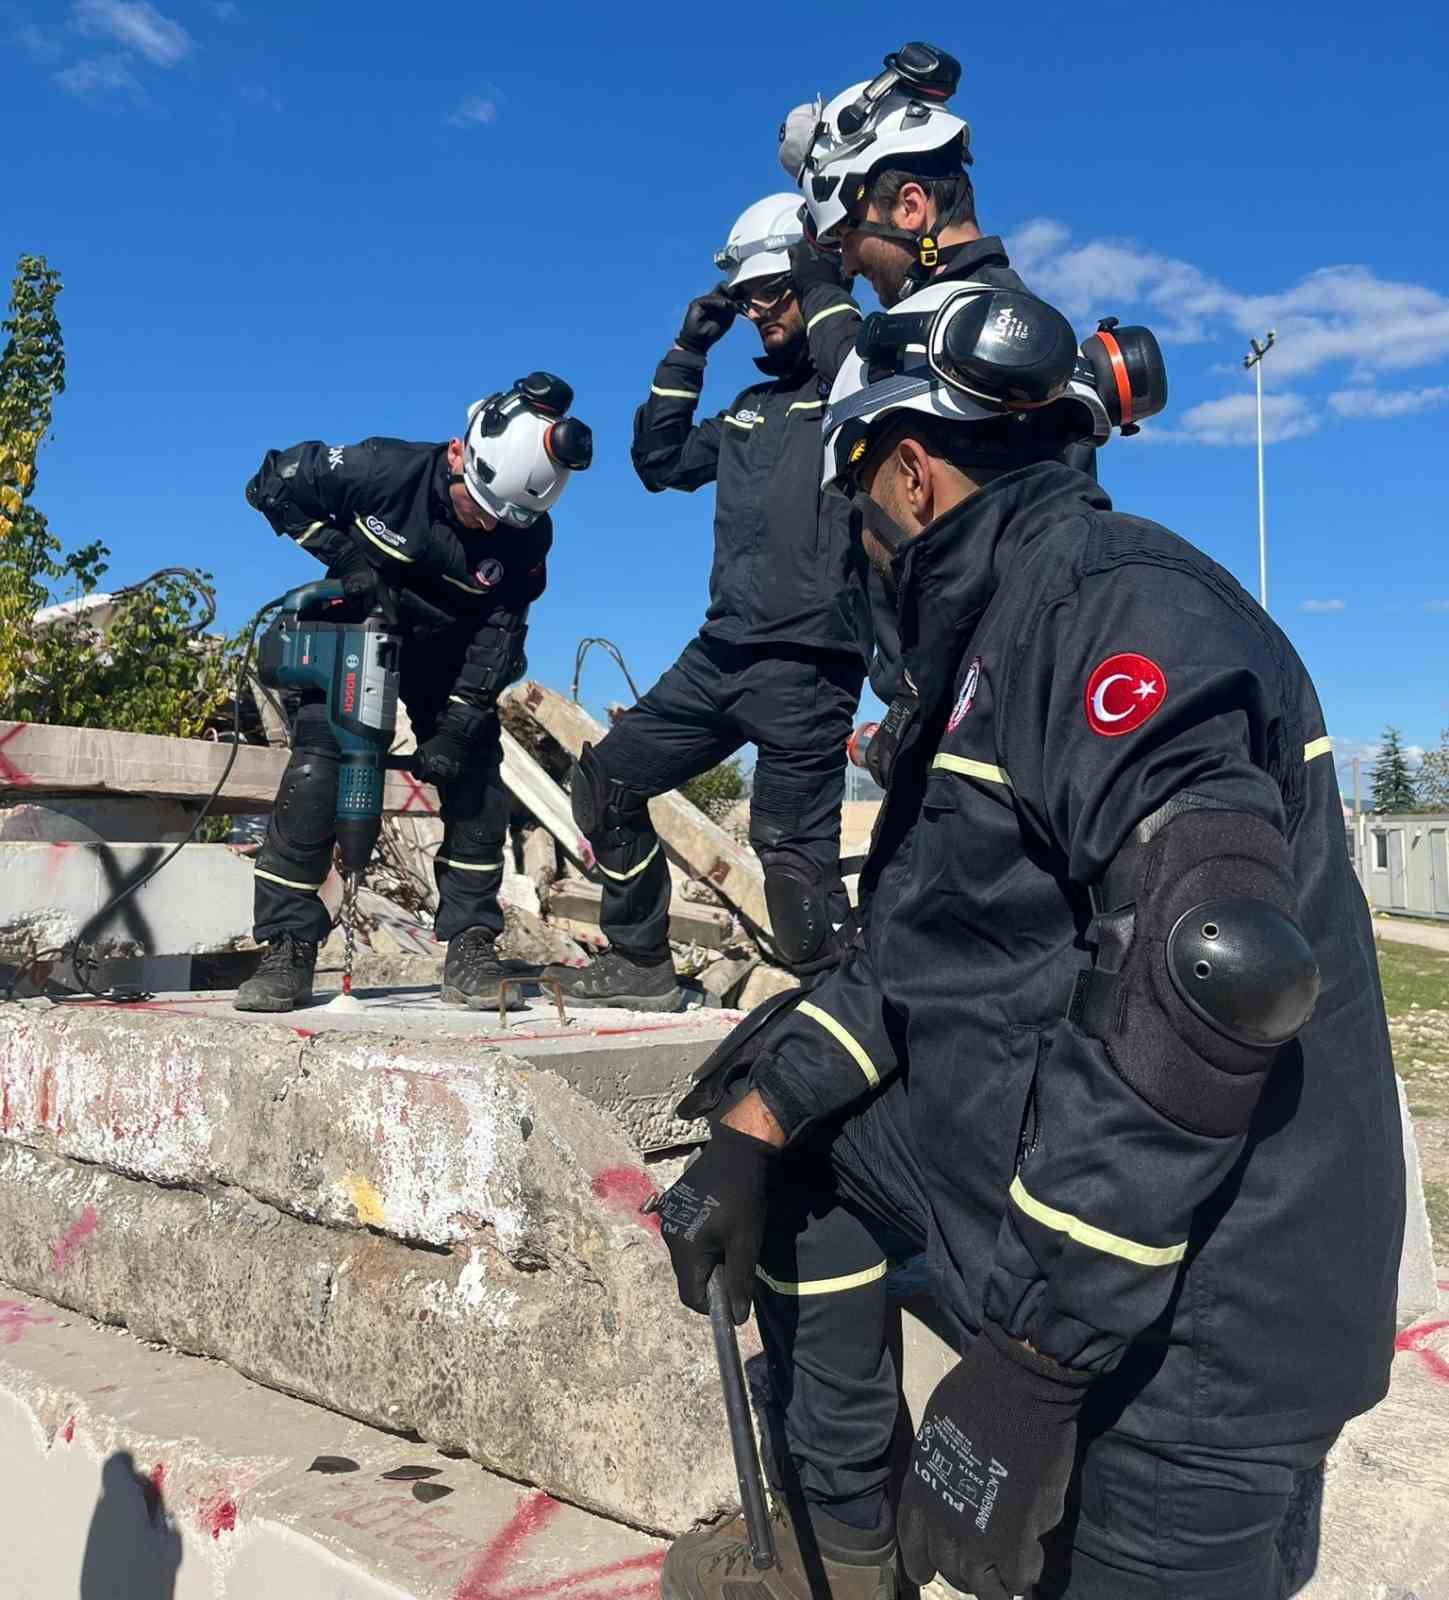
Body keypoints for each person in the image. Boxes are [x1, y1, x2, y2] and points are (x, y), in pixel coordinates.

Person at [653, 278, 1403, 1600]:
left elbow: (1218, 965)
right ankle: (843, 1548)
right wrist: (749, 1129)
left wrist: (1028, 1371)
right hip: (1054, 1226)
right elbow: (908, 963)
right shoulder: (986, 657)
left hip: (1200, 1338)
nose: (858, 557)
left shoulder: (1111, 608)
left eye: (854, 518)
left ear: (904, 477)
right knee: (811, 1157)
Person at [547, 196, 869, 1011]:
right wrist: (689, 347)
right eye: (747, 297)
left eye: (774, 292)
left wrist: (820, 282)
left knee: (795, 882)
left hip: (807, 669)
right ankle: (640, 964)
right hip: (717, 657)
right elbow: (658, 460)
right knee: (606, 787)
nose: (759, 311)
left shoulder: (859, 387)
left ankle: (857, 1031)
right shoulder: (748, 411)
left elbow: (858, 379)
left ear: (813, 278)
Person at [236, 376, 592, 1012]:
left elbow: (500, 631)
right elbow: (272, 481)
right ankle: (287, 946)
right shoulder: (381, 470)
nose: (485, 523)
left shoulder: (527, 533)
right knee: (318, 768)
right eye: (477, 506)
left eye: (499, 518)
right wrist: (345, 555)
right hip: (354, 624)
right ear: (458, 454)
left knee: (479, 778)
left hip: (447, 649)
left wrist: (458, 721)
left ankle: (471, 944)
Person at [780, 41, 1094, 711]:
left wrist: (927, 719)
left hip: (975, 714)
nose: (849, 265)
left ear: (911, 208)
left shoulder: (973, 338)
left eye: (845, 240)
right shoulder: (976, 324)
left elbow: (980, 582)